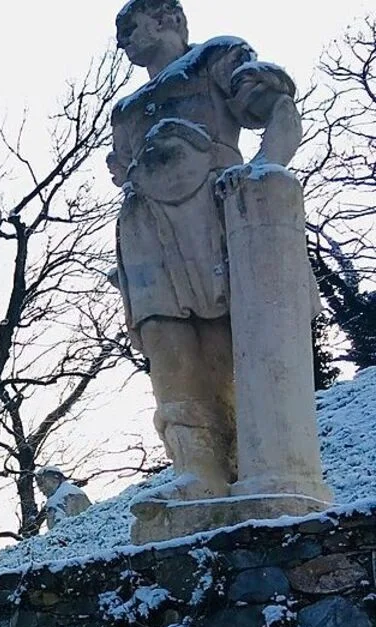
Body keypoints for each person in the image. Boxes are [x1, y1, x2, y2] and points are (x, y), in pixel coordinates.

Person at [110, 0, 308, 501]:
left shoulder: (215, 57)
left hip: (212, 206)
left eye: (130, 28)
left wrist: (267, 170)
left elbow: (274, 108)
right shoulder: (125, 109)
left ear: (168, 19)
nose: (123, 42)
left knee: (222, 331)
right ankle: (195, 466)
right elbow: (122, 168)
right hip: (145, 222)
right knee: (164, 339)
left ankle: (241, 456)